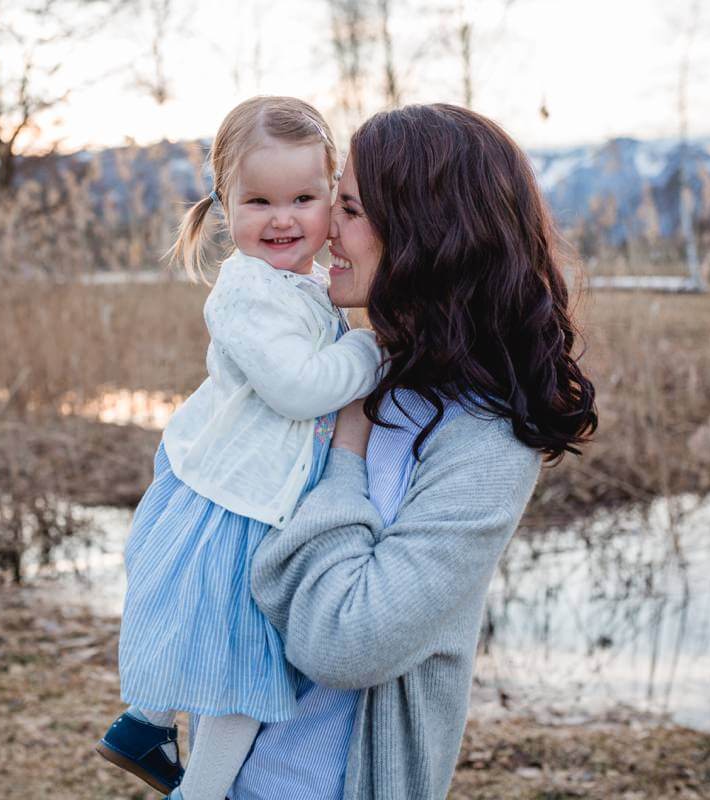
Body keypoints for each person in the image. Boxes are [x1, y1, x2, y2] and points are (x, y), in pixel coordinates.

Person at [228, 103, 598, 800]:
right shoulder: (341, 370)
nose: (324, 227)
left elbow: (344, 640)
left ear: (429, 235)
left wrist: (346, 452)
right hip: (231, 773)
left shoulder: (484, 439)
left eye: (351, 209)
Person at [94, 96, 383, 800]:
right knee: (242, 673)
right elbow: (294, 387)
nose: (282, 219)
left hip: (248, 495)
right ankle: (202, 791)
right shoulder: (249, 291)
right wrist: (372, 350)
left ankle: (147, 725)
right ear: (224, 204)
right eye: (258, 200)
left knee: (219, 651)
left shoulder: (307, 285)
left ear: (331, 198)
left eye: (304, 198)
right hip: (239, 505)